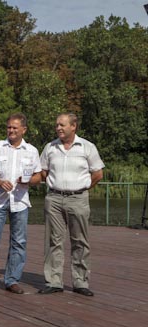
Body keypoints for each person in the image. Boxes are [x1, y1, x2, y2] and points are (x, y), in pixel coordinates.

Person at [38, 113, 104, 297]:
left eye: (62, 125)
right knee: (53, 241)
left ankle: (80, 282)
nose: (58, 128)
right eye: (57, 125)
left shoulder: (87, 147)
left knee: (80, 241)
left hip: (78, 199)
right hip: (54, 198)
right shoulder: (50, 147)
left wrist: (82, 188)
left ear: (73, 126)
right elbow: (43, 172)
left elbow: (98, 174)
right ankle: (54, 281)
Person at [0, 113, 42, 295]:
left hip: (20, 201)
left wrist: (28, 181)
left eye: (14, 127)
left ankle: (12, 280)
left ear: (24, 130)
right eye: (9, 127)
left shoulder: (32, 151)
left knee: (19, 242)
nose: (11, 130)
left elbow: (38, 176)